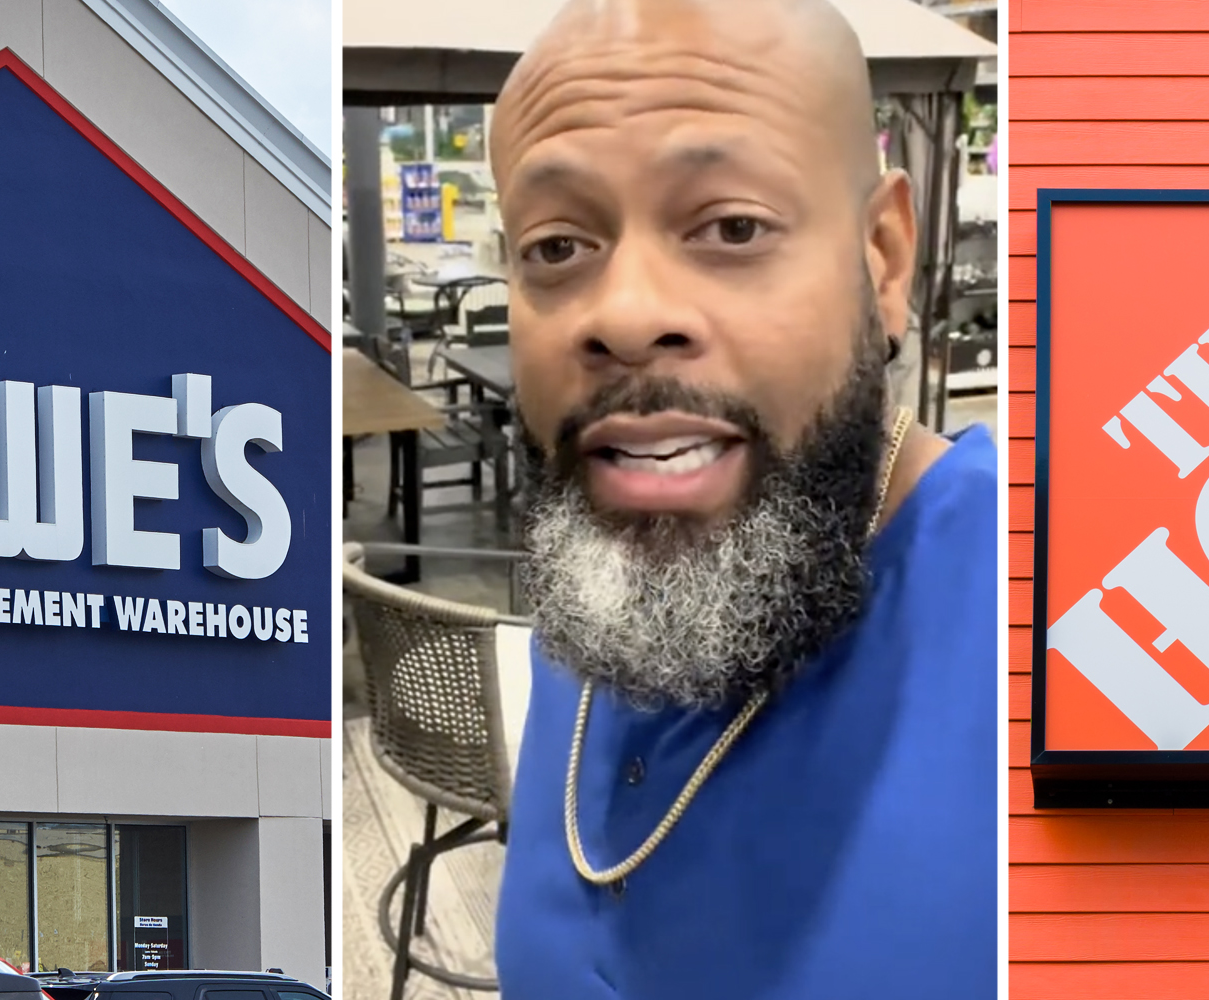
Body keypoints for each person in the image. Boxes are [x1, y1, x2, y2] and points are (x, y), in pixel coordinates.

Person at [488, 0, 998, 996]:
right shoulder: (600, 591)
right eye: (556, 247)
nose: (625, 316)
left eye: (730, 225)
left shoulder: (1061, 624)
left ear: (882, 259)